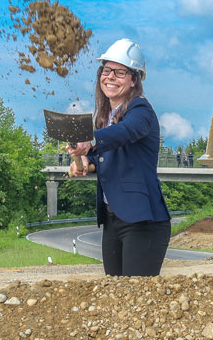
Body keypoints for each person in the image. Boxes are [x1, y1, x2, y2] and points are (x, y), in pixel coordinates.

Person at [68, 38, 171, 276]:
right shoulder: (106, 117)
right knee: (115, 296)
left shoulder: (140, 110)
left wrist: (91, 140)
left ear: (134, 79)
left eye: (120, 72)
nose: (110, 77)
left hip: (142, 221)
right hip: (113, 220)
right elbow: (108, 156)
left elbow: (125, 133)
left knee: (135, 299)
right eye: (106, 71)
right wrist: (87, 164)